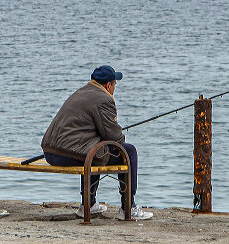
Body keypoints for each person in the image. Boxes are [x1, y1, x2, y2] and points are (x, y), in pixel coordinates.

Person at [42, 64, 153, 221]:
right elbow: (115, 138)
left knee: (96, 149)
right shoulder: (104, 99)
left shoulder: (80, 92)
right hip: (67, 153)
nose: (115, 88)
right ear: (108, 85)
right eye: (115, 84)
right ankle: (128, 207)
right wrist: (121, 137)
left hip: (51, 152)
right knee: (129, 151)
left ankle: (89, 204)